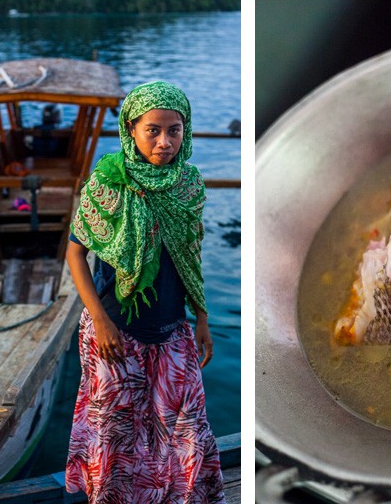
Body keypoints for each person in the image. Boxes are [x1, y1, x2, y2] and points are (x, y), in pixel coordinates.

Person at [65, 81, 224, 504]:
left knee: (187, 431)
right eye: (152, 130)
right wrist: (101, 321)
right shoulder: (107, 182)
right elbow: (75, 254)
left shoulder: (189, 184)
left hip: (173, 328)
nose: (164, 142)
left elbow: (190, 255)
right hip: (116, 332)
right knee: (115, 434)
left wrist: (201, 317)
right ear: (131, 130)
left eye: (174, 130)